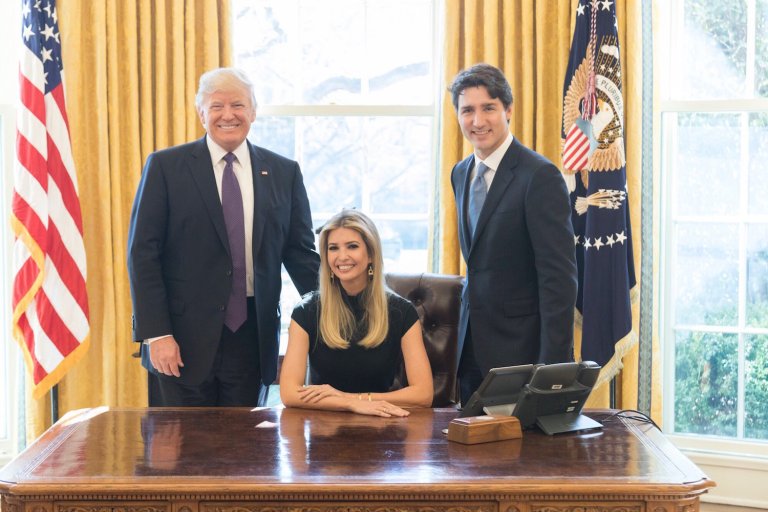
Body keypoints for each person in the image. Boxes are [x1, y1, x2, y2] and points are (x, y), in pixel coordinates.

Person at [127, 67, 320, 407]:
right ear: (201, 113)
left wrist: (340, 310)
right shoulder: (165, 167)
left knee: (247, 440)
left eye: (238, 105)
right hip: (179, 340)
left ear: (253, 111)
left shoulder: (283, 172)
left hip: (253, 338)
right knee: (179, 442)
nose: (228, 115)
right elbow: (143, 255)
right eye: (216, 106)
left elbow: (301, 255)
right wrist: (157, 334)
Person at [448, 63, 578, 406]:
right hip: (470, 351)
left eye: (488, 108)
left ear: (508, 109)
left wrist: (553, 368)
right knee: (471, 440)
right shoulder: (460, 173)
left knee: (519, 442)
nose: (478, 121)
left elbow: (558, 279)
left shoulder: (539, 176)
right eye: (467, 110)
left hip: (522, 355)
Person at [279, 209, 433, 417]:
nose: (342, 256)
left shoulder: (402, 312)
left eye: (352, 246)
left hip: (383, 423)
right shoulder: (306, 311)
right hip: (323, 426)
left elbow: (423, 394)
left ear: (370, 254)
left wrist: (352, 398)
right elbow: (289, 394)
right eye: (333, 248)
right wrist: (349, 404)